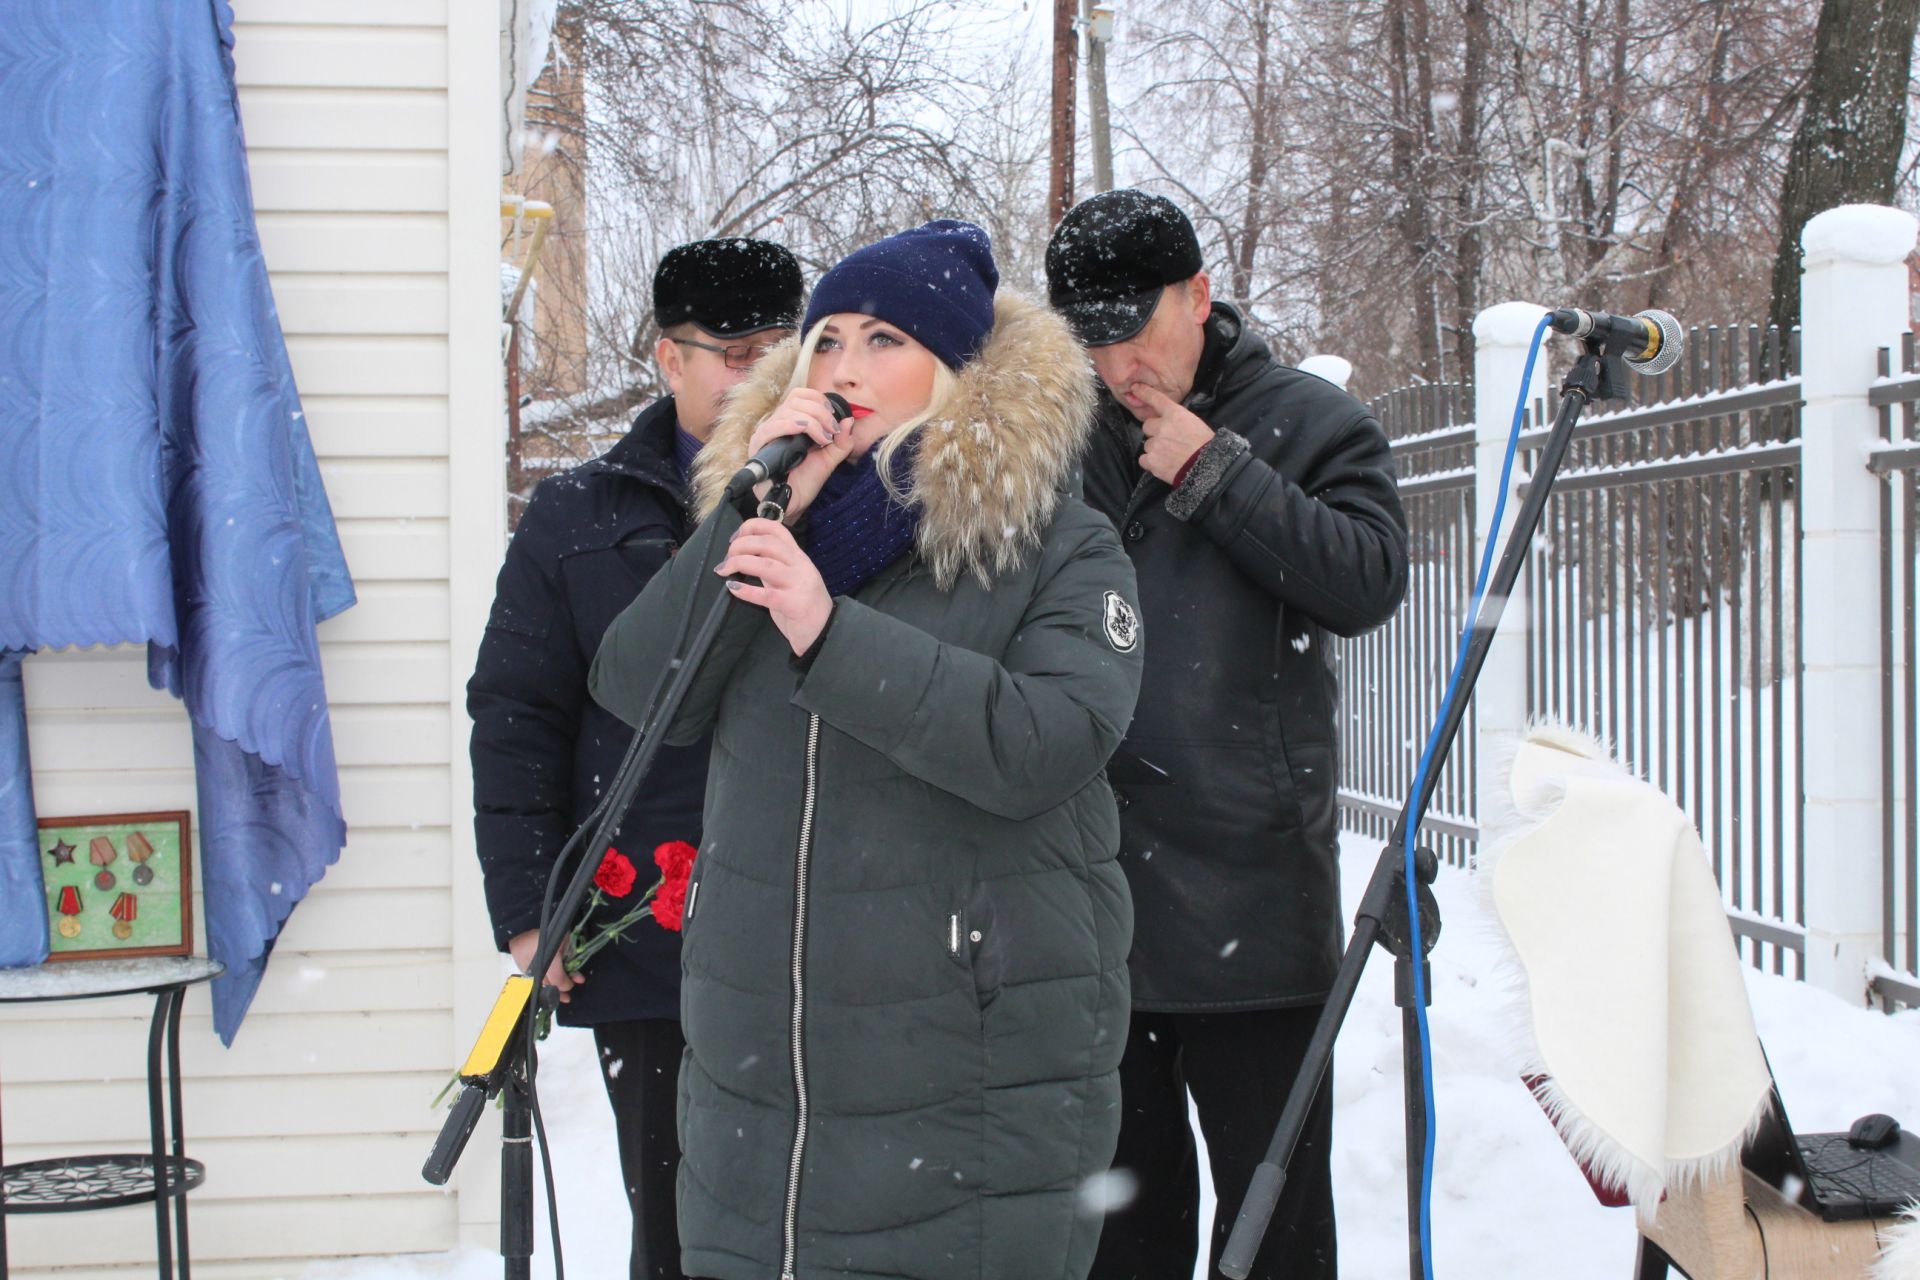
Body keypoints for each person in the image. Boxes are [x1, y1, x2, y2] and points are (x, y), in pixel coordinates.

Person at [588, 219, 1144, 1280]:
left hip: (960, 1077)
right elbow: (638, 690)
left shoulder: (1060, 543)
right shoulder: (773, 524)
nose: (843, 367)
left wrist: (831, 634)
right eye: (827, 338)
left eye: (883, 338)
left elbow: (1048, 738)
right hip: (762, 1079)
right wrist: (752, 514)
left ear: (959, 372)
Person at [1046, 189, 1410, 1280]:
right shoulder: (1066, 441)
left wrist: (1217, 471)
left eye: (1134, 329)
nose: (1117, 365)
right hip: (1098, 898)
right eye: (1090, 339)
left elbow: (1368, 578)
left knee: (1277, 1232)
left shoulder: (1308, 420)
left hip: (1254, 899)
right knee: (1123, 1232)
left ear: (1199, 294)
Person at [468, 238, 803, 1280]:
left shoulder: (853, 494)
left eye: (783, 348)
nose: (762, 376)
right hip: (654, 928)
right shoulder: (583, 514)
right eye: (734, 351)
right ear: (668, 358)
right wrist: (531, 905)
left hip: (820, 930)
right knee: (674, 1225)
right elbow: (516, 711)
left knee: (821, 1219)